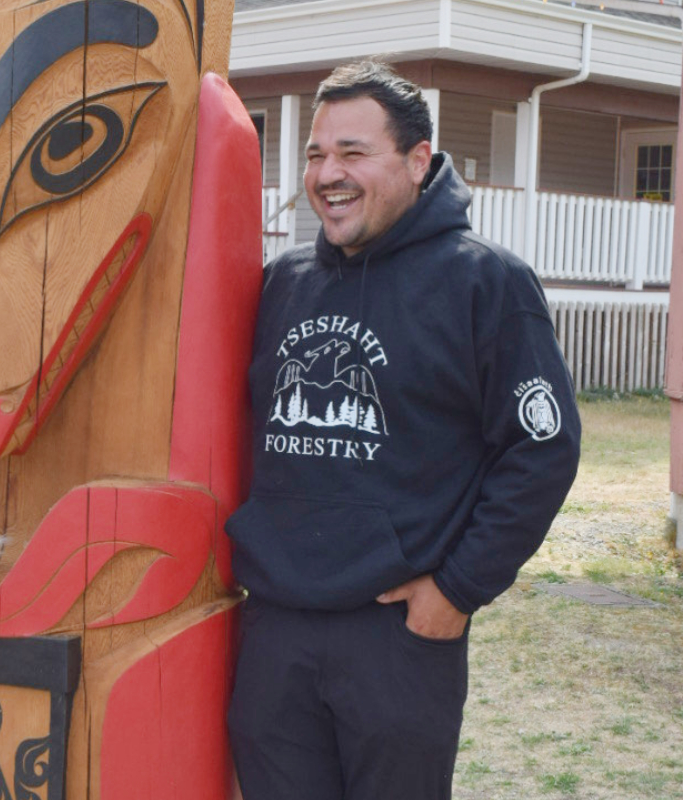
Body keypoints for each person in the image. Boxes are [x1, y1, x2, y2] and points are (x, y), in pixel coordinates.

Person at [225, 60, 581, 800]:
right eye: (317, 154)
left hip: (397, 637)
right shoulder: (283, 283)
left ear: (418, 160)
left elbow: (541, 450)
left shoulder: (486, 284)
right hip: (275, 633)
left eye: (353, 153)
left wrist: (457, 590)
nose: (328, 174)